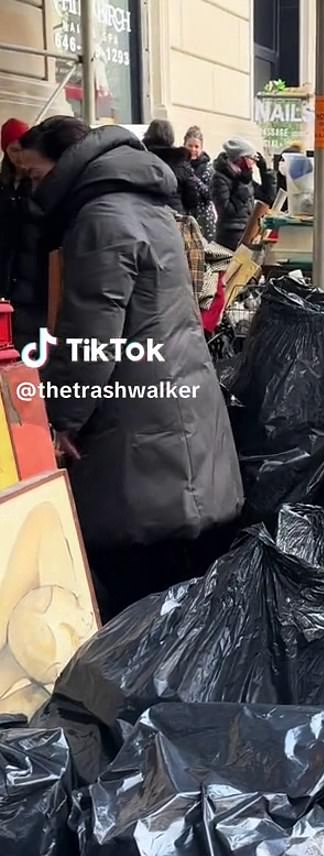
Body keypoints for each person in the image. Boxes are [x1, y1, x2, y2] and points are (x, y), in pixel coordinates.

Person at [19, 118, 244, 620]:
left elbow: (89, 337)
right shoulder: (146, 204)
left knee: (142, 615)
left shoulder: (99, 218)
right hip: (177, 416)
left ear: (65, 164)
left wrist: (59, 421)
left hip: (144, 442)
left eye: (35, 176)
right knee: (184, 611)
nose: (31, 189)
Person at [0, 118, 50, 353]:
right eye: (13, 151)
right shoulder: (4, 185)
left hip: (33, 280)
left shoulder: (39, 182)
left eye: (22, 150)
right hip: (8, 275)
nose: (19, 158)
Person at [211, 137, 276, 251]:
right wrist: (242, 186)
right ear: (240, 159)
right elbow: (226, 210)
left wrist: (264, 172)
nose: (254, 163)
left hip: (248, 232)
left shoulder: (244, 177)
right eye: (252, 159)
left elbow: (268, 198)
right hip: (229, 237)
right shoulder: (219, 178)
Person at [184, 125, 217, 241]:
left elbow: (210, 194)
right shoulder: (180, 165)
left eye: (196, 147)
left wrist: (194, 179)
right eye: (190, 146)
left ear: (201, 148)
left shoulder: (208, 168)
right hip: (185, 218)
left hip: (204, 220)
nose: (193, 150)